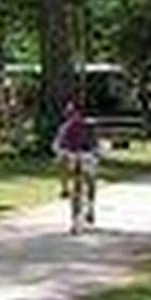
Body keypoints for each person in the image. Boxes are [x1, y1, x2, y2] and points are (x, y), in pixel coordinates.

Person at [52, 100, 100, 233]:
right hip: (72, 155)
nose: (72, 116)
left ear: (80, 113)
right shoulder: (65, 128)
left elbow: (96, 144)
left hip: (86, 155)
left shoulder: (89, 126)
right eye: (69, 113)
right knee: (62, 162)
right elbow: (57, 143)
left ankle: (90, 206)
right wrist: (59, 151)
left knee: (90, 177)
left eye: (74, 113)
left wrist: (95, 152)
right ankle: (64, 187)